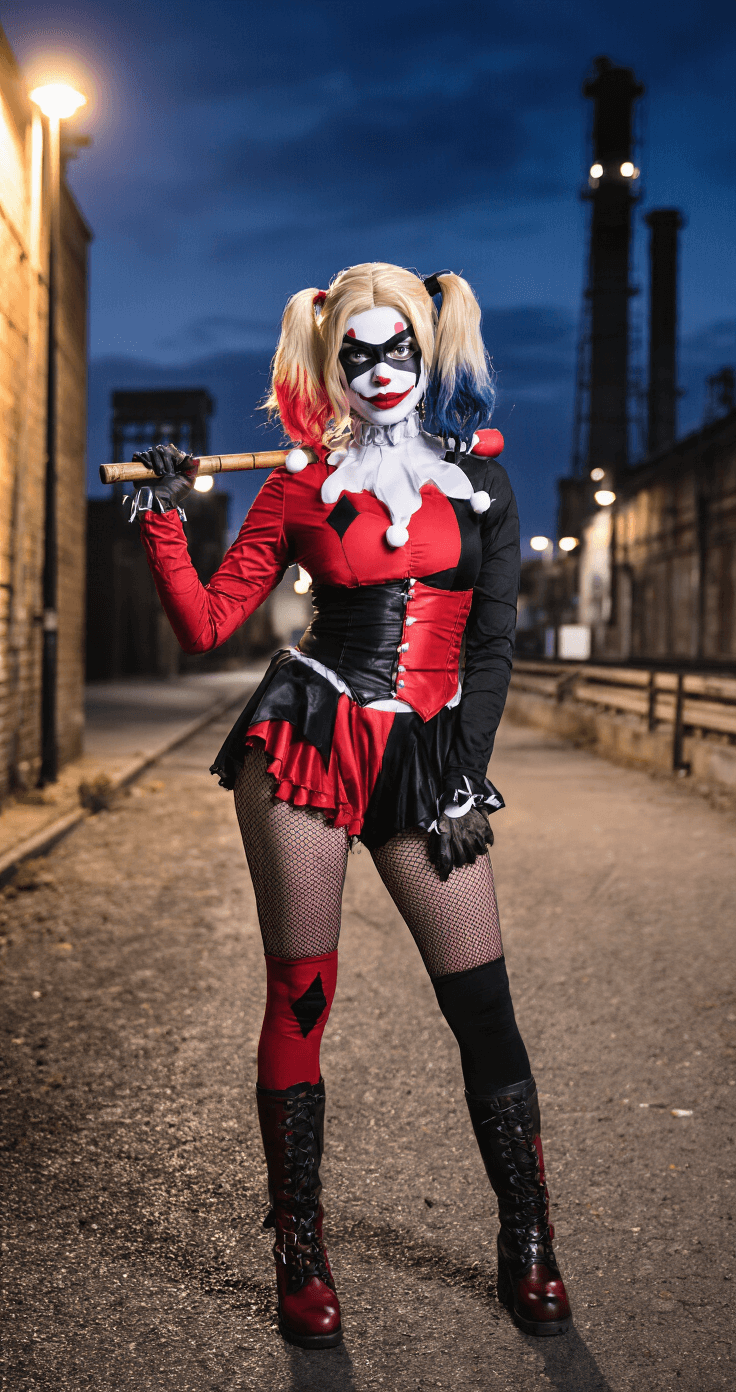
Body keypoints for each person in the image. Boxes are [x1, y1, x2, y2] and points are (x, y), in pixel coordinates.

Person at [130, 263, 572, 1348]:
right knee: (301, 1001)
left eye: (398, 350)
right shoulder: (297, 487)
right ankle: (301, 1251)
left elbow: (493, 643)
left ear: (427, 352)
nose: (380, 371)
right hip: (312, 742)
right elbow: (206, 625)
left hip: (426, 757)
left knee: (483, 1006)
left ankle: (529, 1239)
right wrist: (163, 522)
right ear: (331, 366)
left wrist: (464, 771)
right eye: (357, 355)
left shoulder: (481, 481)